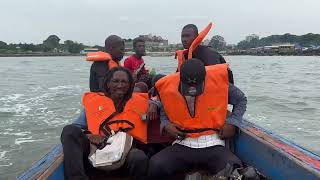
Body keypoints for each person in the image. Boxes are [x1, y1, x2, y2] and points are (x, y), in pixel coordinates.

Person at [148, 59, 247, 179]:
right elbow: (164, 106)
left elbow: (241, 100)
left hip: (213, 142)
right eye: (188, 87)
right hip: (183, 142)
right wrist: (166, 124)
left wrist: (233, 123)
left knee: (234, 168)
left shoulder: (220, 84)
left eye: (196, 86)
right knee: (155, 165)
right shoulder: (168, 87)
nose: (192, 90)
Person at [61, 67, 149, 180]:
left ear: (130, 85)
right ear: (108, 84)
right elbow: (77, 127)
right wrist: (90, 135)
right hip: (96, 147)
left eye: (124, 82)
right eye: (115, 81)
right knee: (69, 130)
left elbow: (160, 103)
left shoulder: (141, 103)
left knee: (139, 158)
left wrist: (154, 105)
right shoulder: (95, 103)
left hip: (125, 150)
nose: (120, 85)